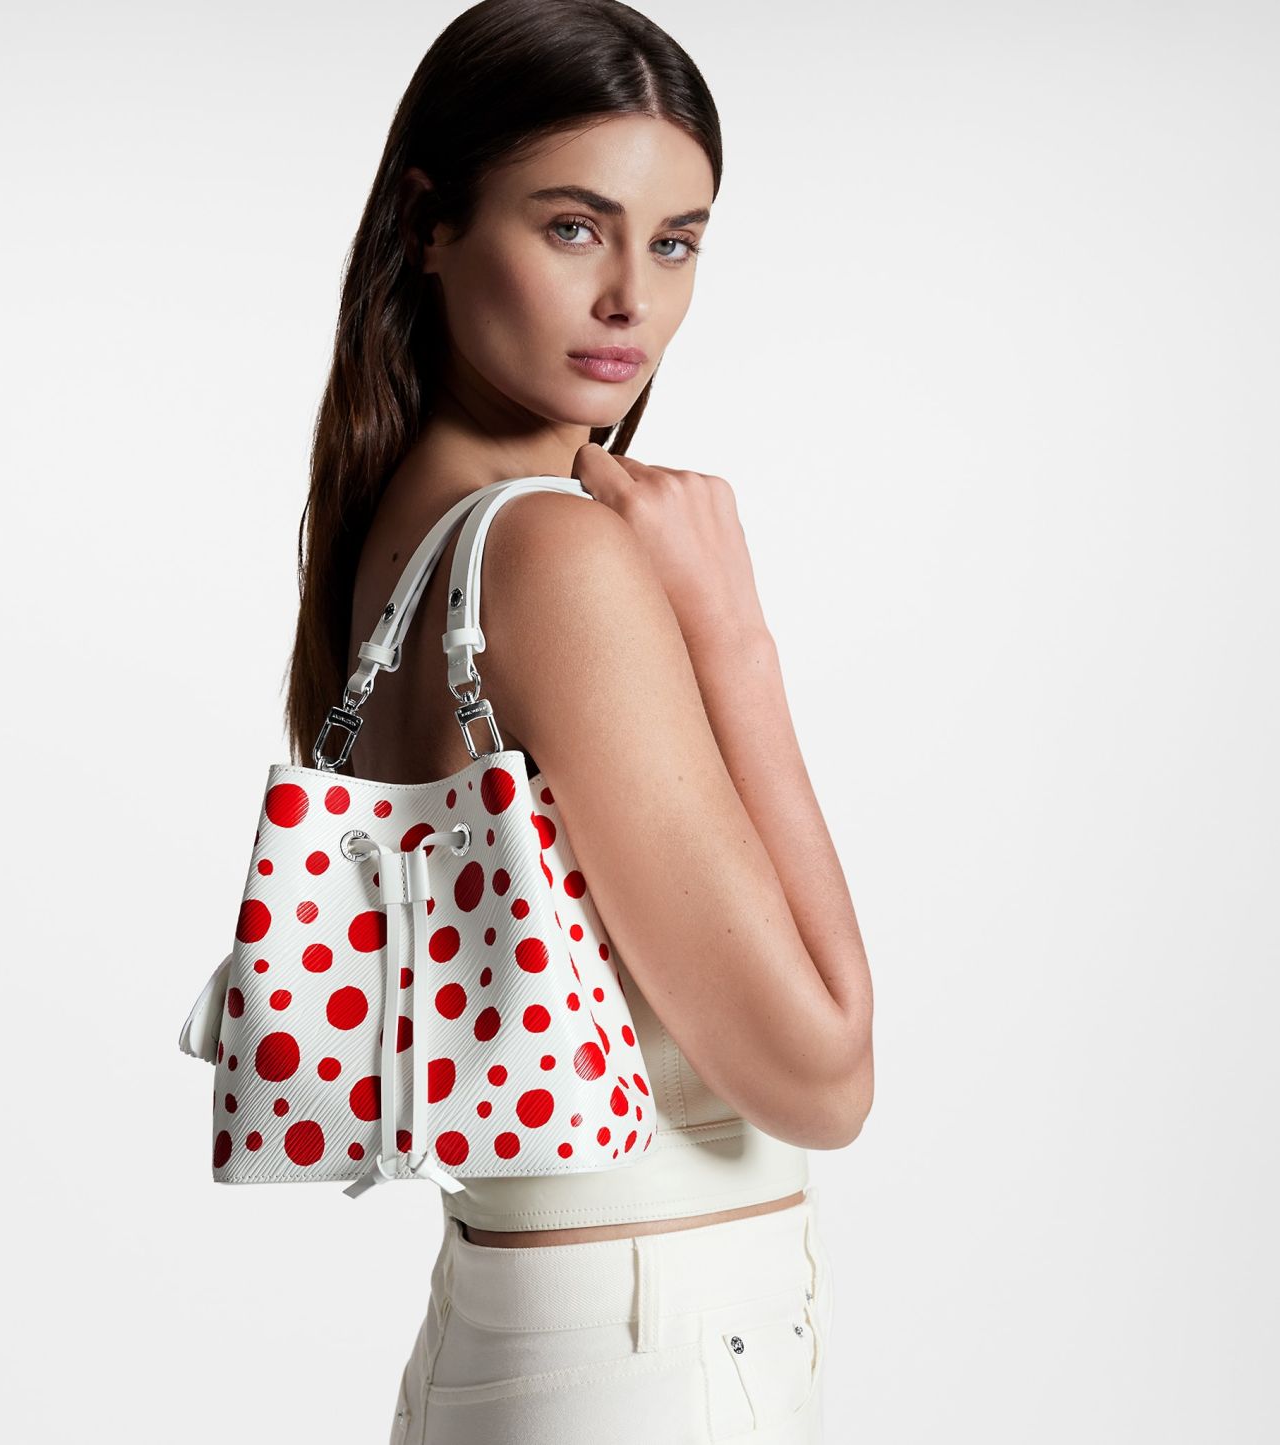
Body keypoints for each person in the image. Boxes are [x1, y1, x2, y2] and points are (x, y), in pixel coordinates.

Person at [283, 2, 874, 1439]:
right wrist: (733, 638)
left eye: (674, 242)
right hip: (652, 1352)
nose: (630, 299)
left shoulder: (401, 533)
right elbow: (822, 1076)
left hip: (517, 1330)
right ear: (427, 224)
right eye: (571, 227)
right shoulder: (552, 553)